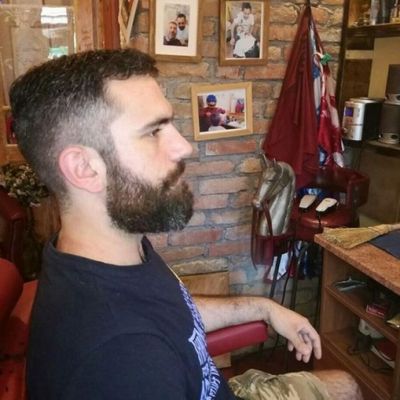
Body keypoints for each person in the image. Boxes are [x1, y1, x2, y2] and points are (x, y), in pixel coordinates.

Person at [9, 49, 362, 400]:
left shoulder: (111, 251)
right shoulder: (121, 362)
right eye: (153, 131)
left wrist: (264, 308)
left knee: (346, 385)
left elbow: (172, 312)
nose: (183, 146)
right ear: (84, 168)